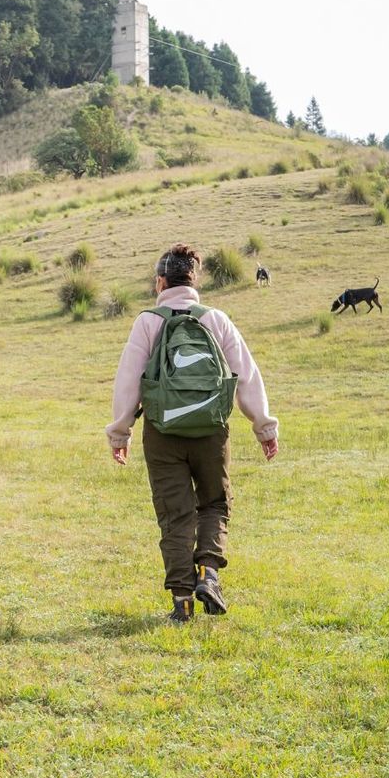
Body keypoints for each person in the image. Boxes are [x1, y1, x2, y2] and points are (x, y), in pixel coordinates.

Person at [107, 244, 280, 624]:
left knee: (175, 514)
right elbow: (246, 374)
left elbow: (128, 381)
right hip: (211, 433)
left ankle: (182, 601)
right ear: (194, 281)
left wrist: (121, 433)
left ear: (160, 282)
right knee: (214, 503)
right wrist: (263, 426)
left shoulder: (148, 322)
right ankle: (210, 576)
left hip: (162, 432)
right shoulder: (215, 319)